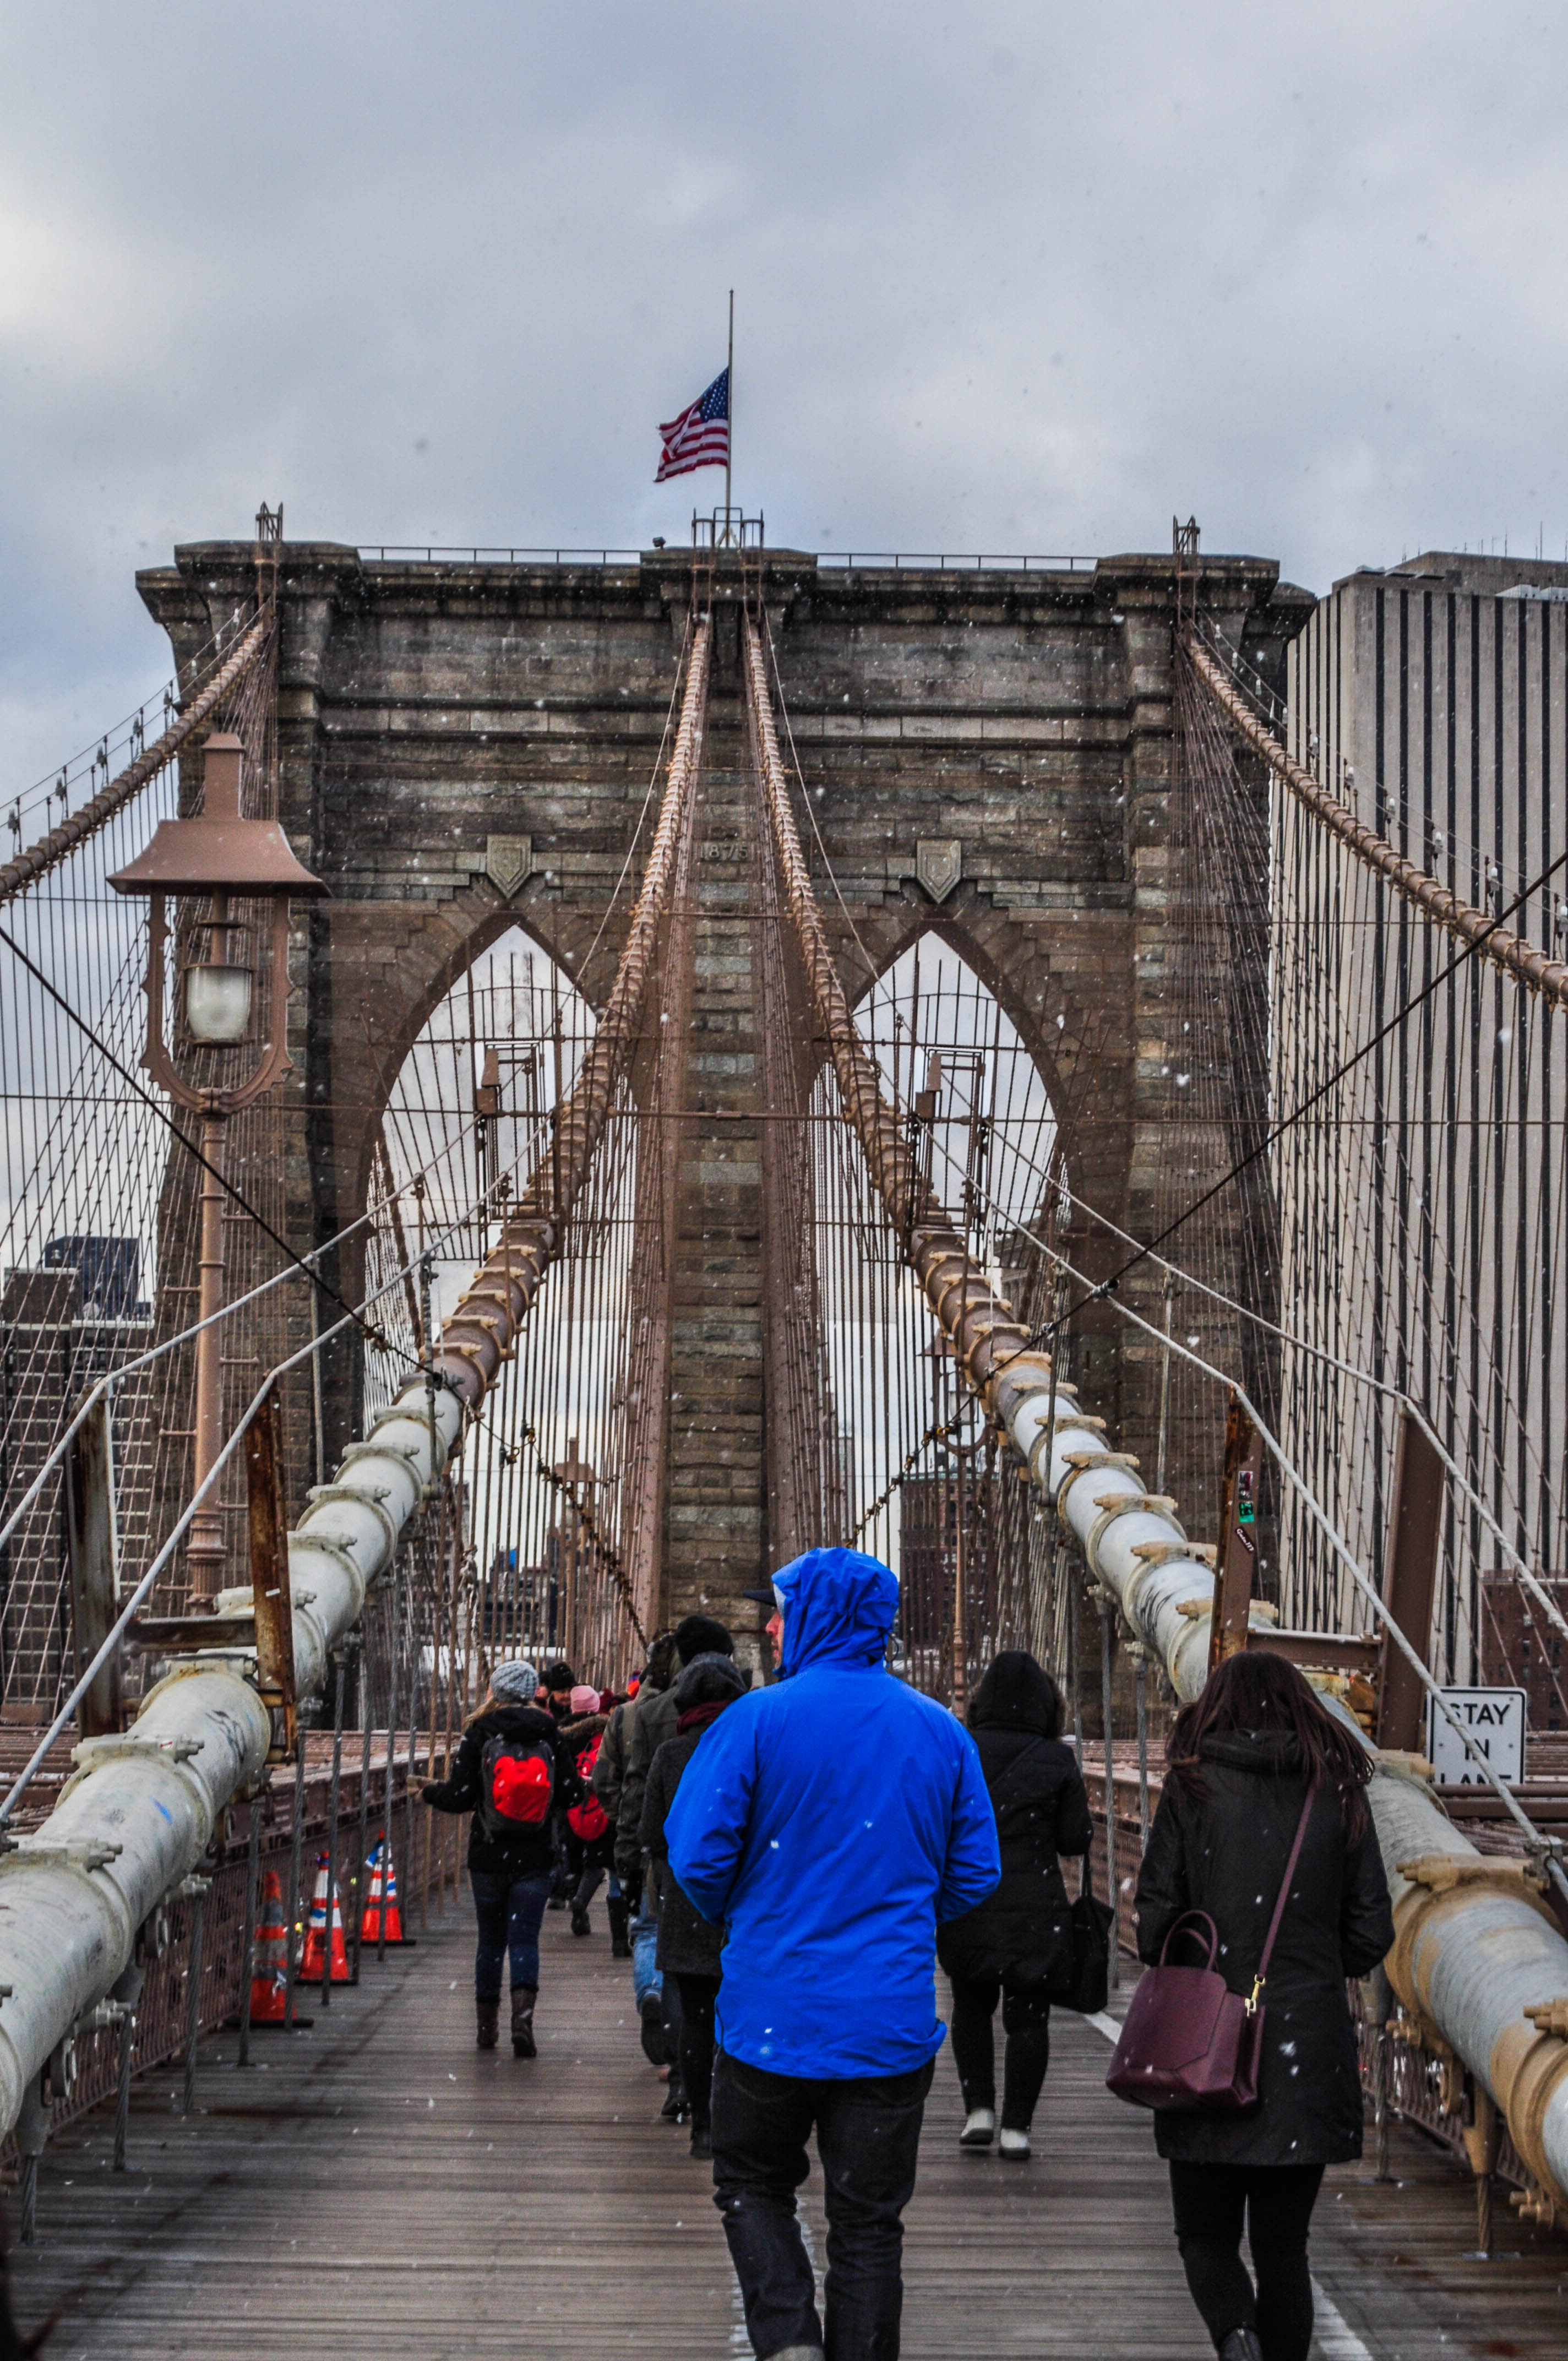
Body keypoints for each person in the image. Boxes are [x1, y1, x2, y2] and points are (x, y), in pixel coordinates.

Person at [667, 1546, 1000, 2361]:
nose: (771, 1630)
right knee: (869, 2225)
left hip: (770, 2016)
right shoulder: (940, 1731)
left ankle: (789, 2342)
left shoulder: (753, 1721)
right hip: (887, 2020)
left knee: (751, 2185)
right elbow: (976, 1871)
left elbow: (696, 1856)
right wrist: (897, 1919)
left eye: (781, 1613)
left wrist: (755, 1916)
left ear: (815, 1616)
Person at [1134, 1650, 1395, 2361]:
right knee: (1285, 2248)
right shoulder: (1337, 1790)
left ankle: (1236, 2336)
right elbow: (1371, 1931)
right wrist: (1307, 1969)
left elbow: (1154, 1928)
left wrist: (1211, 1960)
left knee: (1204, 2235)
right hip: (1304, 2055)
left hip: (1204, 2049)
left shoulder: (1191, 1786)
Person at [936, 1650, 1091, 2161]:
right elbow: (1073, 1840)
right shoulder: (1056, 1759)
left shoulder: (961, 1749)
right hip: (1034, 1908)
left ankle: (978, 2111)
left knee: (970, 2008)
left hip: (970, 1901)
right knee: (1028, 2019)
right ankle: (1017, 2129)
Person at [417, 1658, 586, 2056]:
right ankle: (522, 2022)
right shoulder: (548, 1731)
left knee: (491, 1943)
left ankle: (486, 2028)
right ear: (531, 1692)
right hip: (537, 1856)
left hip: (489, 1855)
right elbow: (571, 1793)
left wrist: (428, 1791)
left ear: (496, 1690)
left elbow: (460, 1797)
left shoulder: (480, 1731)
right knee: (525, 1941)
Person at [639, 1651, 749, 2158]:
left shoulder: (671, 1754)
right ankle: (738, 2120)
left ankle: (702, 2126)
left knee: (697, 2019)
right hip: (744, 1906)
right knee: (743, 2017)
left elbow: (652, 1834)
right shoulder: (754, 1749)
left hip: (687, 1905)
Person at [598, 1630, 677, 1988]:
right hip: (684, 1836)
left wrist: (624, 1817)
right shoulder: (699, 1712)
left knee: (646, 1927)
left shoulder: (626, 1715)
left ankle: (650, 1992)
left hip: (639, 1832)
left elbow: (605, 1777)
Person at [559, 1683, 622, 1941]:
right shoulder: (606, 1731)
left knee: (572, 1855)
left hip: (570, 1805)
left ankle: (571, 1890)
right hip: (600, 1805)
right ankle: (583, 1900)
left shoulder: (561, 1734)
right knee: (600, 1861)